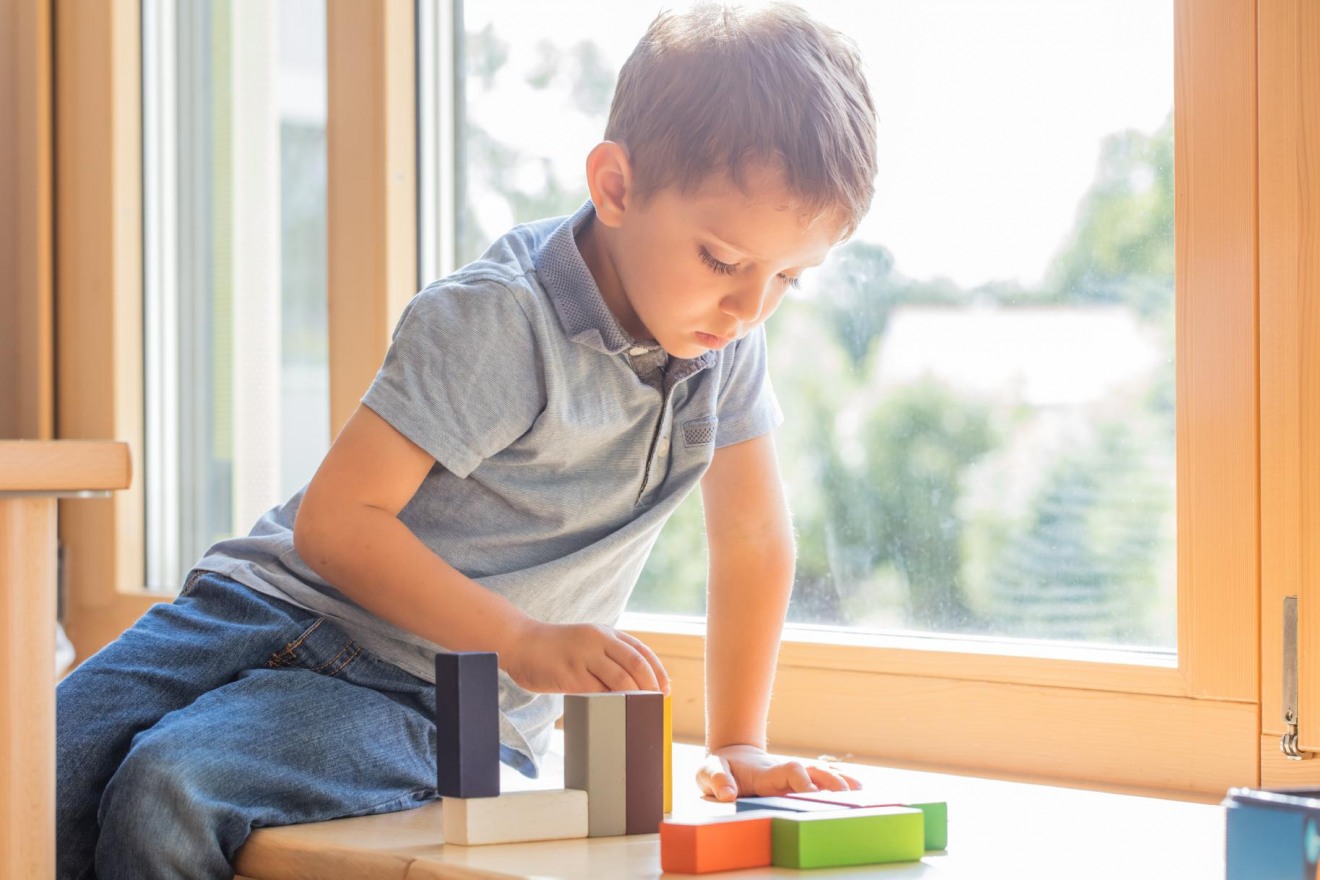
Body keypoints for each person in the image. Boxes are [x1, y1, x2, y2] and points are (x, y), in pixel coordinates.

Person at [55, 2, 878, 877]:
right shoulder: (498, 315)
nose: (750, 308)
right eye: (723, 261)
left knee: (167, 789)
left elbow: (752, 540)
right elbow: (336, 524)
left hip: (439, 701)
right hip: (257, 608)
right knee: (34, 766)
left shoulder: (727, 349)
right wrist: (521, 635)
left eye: (788, 278)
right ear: (616, 187)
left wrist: (741, 743)